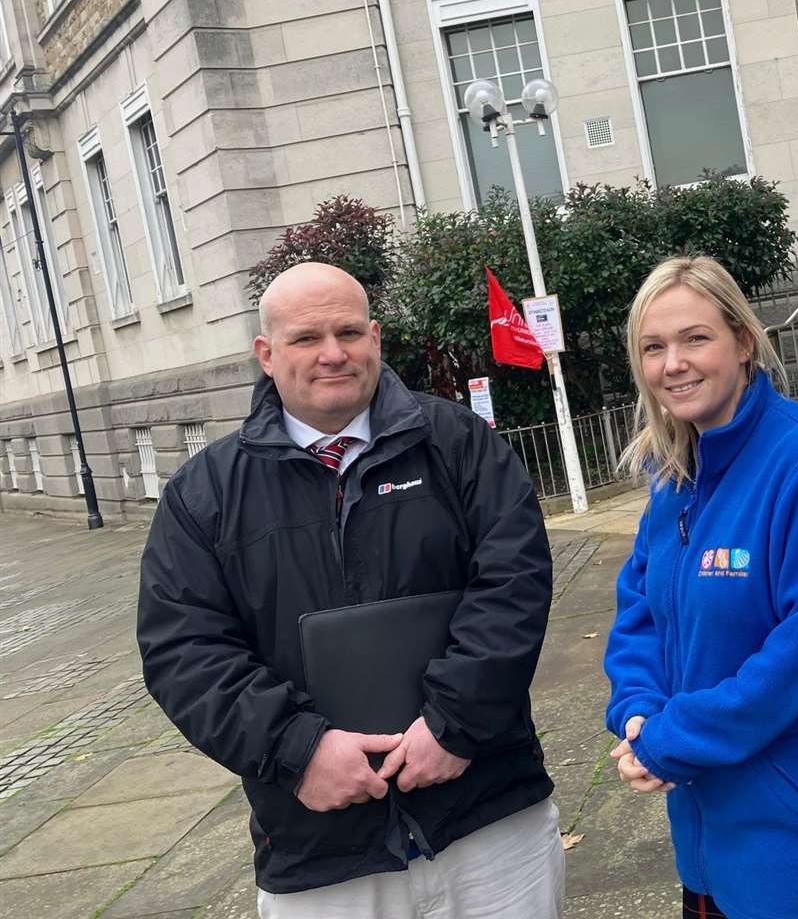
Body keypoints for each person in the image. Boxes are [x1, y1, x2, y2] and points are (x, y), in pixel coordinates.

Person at [137, 263, 563, 917]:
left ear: (376, 337)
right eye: (307, 338)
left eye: (349, 331)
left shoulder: (458, 445)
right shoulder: (203, 496)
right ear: (267, 354)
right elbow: (184, 650)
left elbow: (514, 583)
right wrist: (299, 750)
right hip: (321, 851)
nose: (333, 354)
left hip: (488, 817)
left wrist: (455, 725)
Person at [603, 256, 798, 919]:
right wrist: (637, 708)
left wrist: (670, 737)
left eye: (695, 338)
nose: (673, 363)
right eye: (653, 347)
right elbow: (640, 616)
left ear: (743, 340)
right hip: (710, 843)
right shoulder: (674, 476)